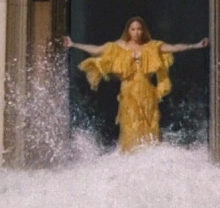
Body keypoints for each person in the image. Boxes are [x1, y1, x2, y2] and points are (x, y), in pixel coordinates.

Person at [64, 17, 209, 152]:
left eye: (139, 29)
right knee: (131, 126)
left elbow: (175, 47)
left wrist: (195, 45)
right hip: (128, 93)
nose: (136, 32)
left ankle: (148, 158)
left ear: (143, 30)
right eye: (133, 29)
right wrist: (73, 44)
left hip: (147, 93)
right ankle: (130, 156)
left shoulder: (152, 46)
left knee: (149, 125)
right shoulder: (118, 46)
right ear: (128, 31)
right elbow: (97, 50)